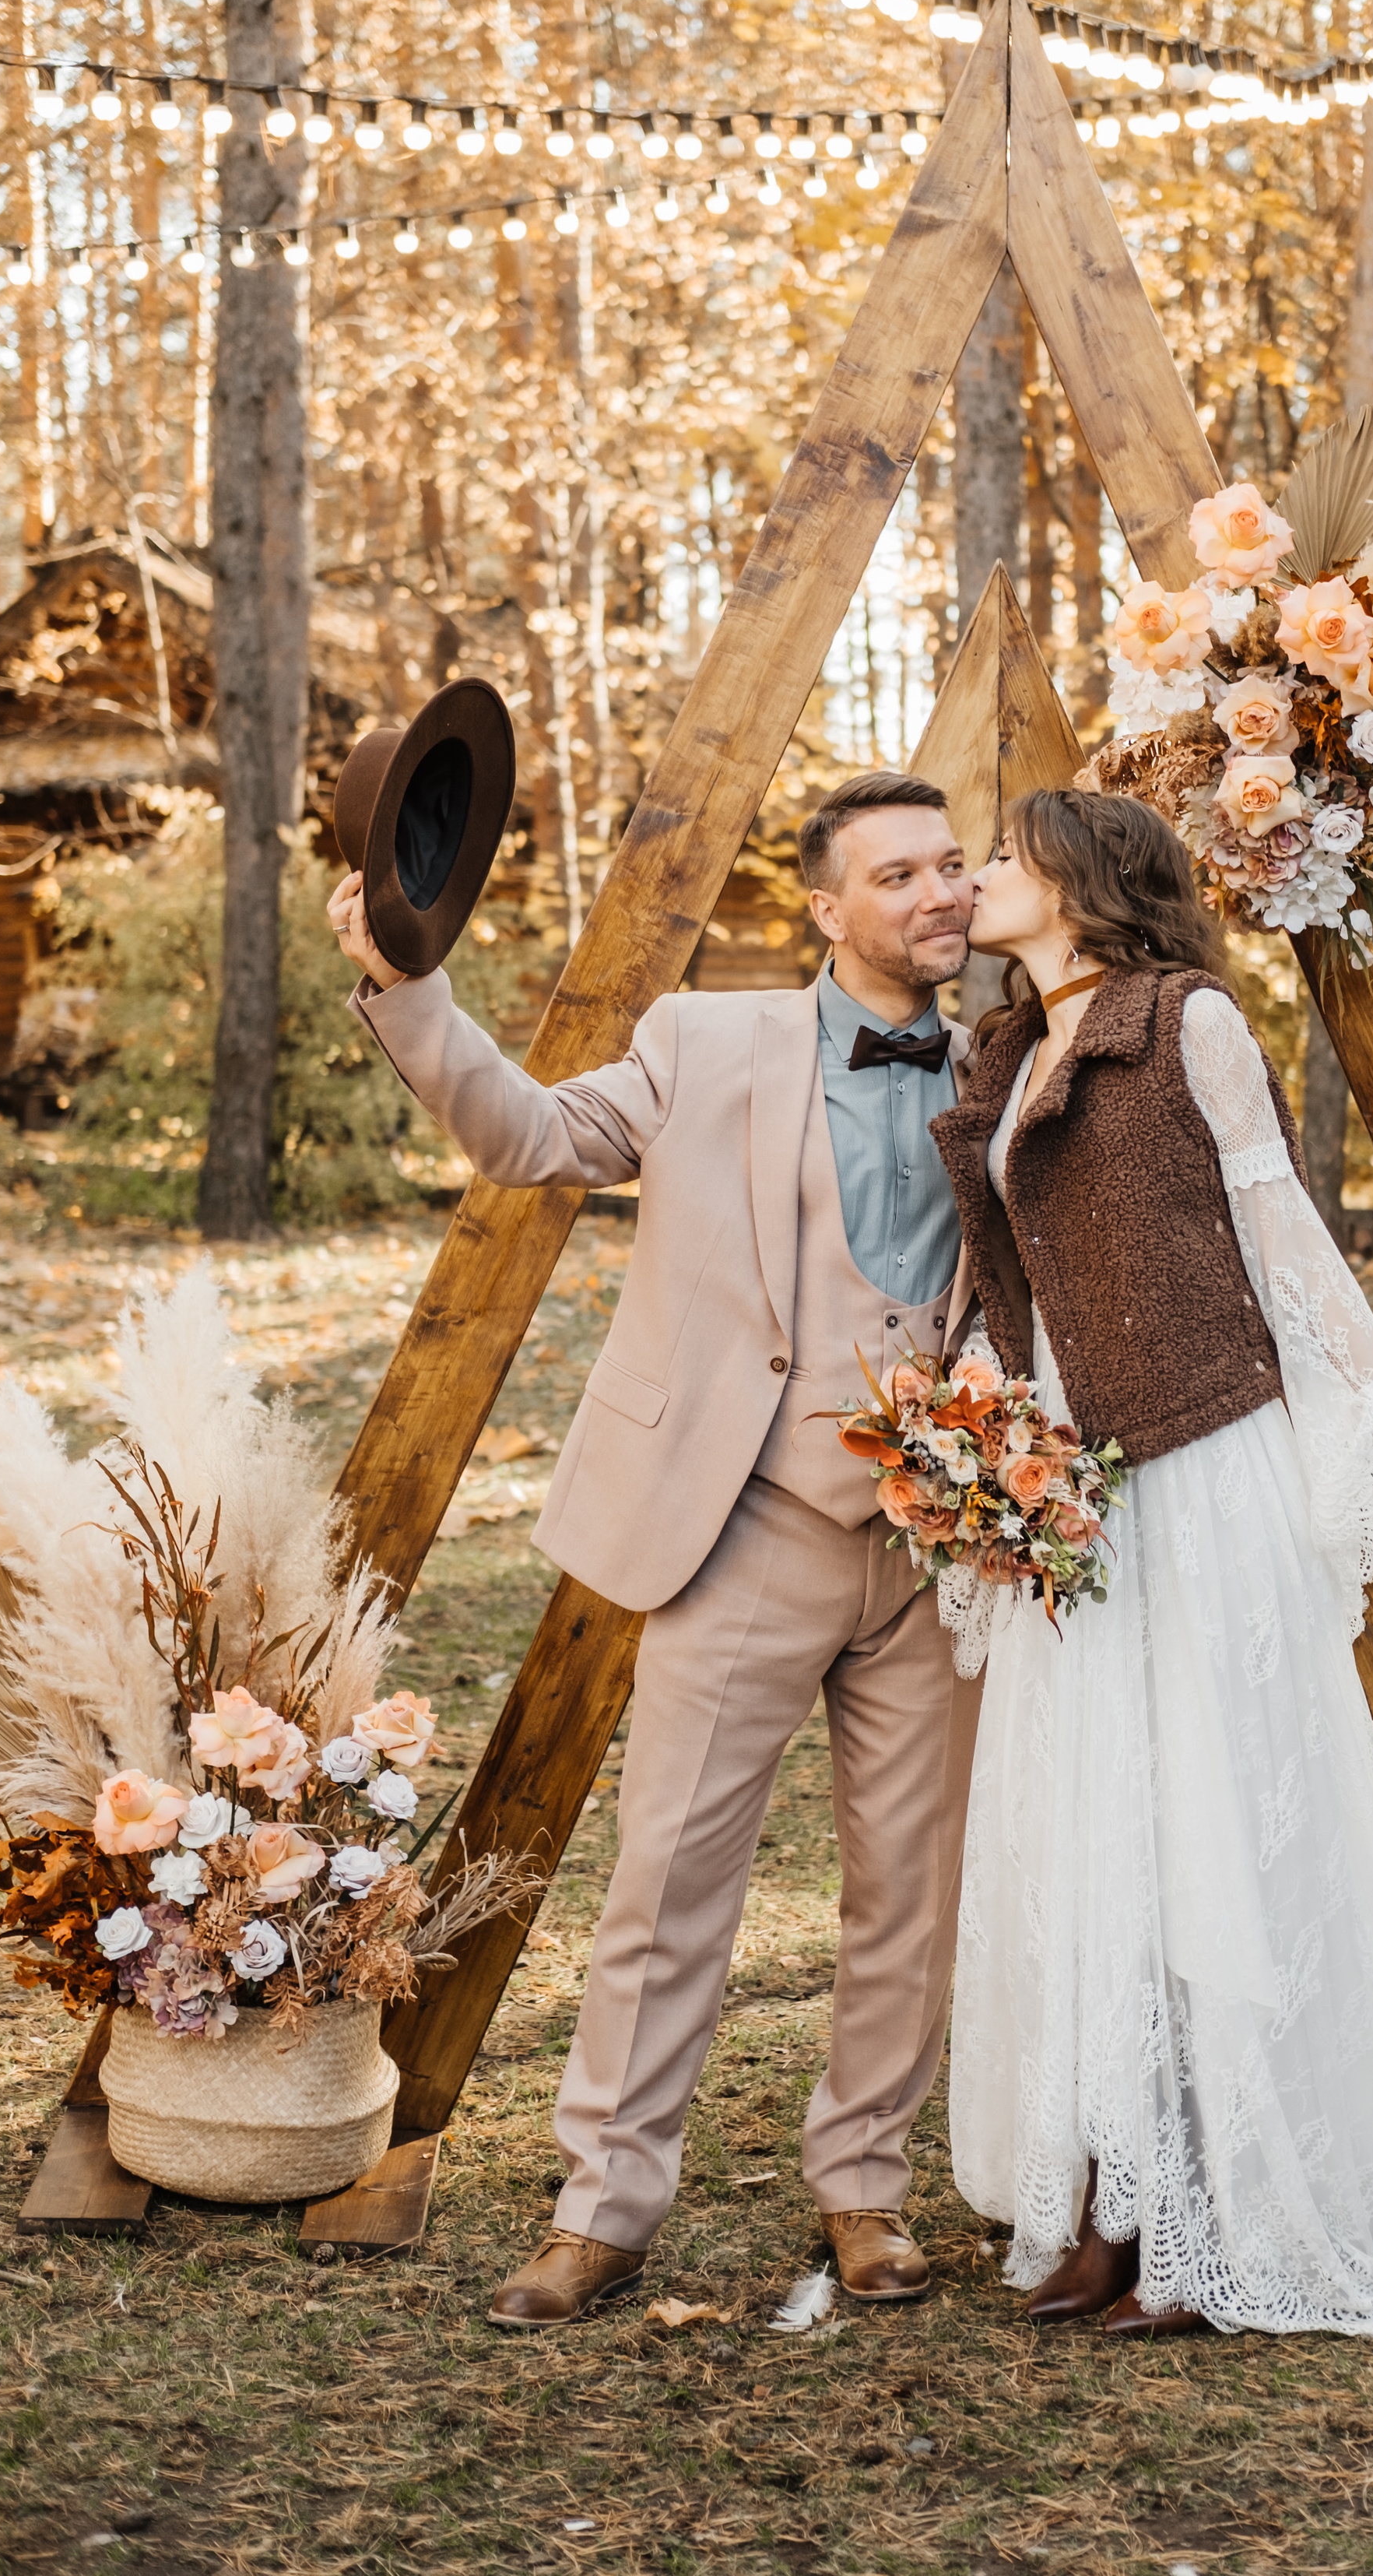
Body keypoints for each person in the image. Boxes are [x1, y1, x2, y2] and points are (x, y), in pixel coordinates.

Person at [927, 786, 1373, 2338]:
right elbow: (996, 1275)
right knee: (1087, 1837)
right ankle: (1105, 2201)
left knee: (1205, 1835)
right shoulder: (1004, 1051)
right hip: (1066, 1487)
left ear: (1086, 889)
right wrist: (965, 1443)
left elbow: (1281, 1242)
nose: (977, 879)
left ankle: (1218, 2214)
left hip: (1197, 1463)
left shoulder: (1183, 1023)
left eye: (1003, 861)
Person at [328, 771, 987, 2328]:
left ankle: (866, 2191)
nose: (942, 894)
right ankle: (604, 2206)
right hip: (740, 1523)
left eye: (954, 866)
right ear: (828, 912)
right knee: (668, 1881)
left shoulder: (1011, 1061)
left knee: (911, 1895)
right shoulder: (705, 1041)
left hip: (944, 1544)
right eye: (900, 875)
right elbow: (532, 1138)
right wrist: (406, 990)